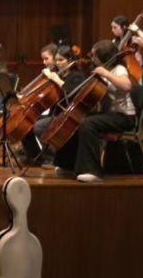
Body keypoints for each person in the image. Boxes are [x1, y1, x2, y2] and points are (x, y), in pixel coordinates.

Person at [52, 39, 137, 183]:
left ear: (102, 57)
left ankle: (92, 171)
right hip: (110, 114)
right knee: (77, 119)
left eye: (94, 56)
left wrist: (105, 73)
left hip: (124, 117)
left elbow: (127, 86)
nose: (92, 58)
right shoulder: (103, 69)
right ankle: (68, 164)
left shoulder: (118, 69)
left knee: (88, 124)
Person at [20, 44, 87, 163]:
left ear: (70, 60)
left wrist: (56, 79)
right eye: (56, 60)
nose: (58, 63)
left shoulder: (76, 76)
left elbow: (72, 95)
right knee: (25, 122)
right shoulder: (60, 74)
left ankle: (50, 156)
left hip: (67, 115)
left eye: (61, 60)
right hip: (55, 112)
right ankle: (35, 156)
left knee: (38, 127)